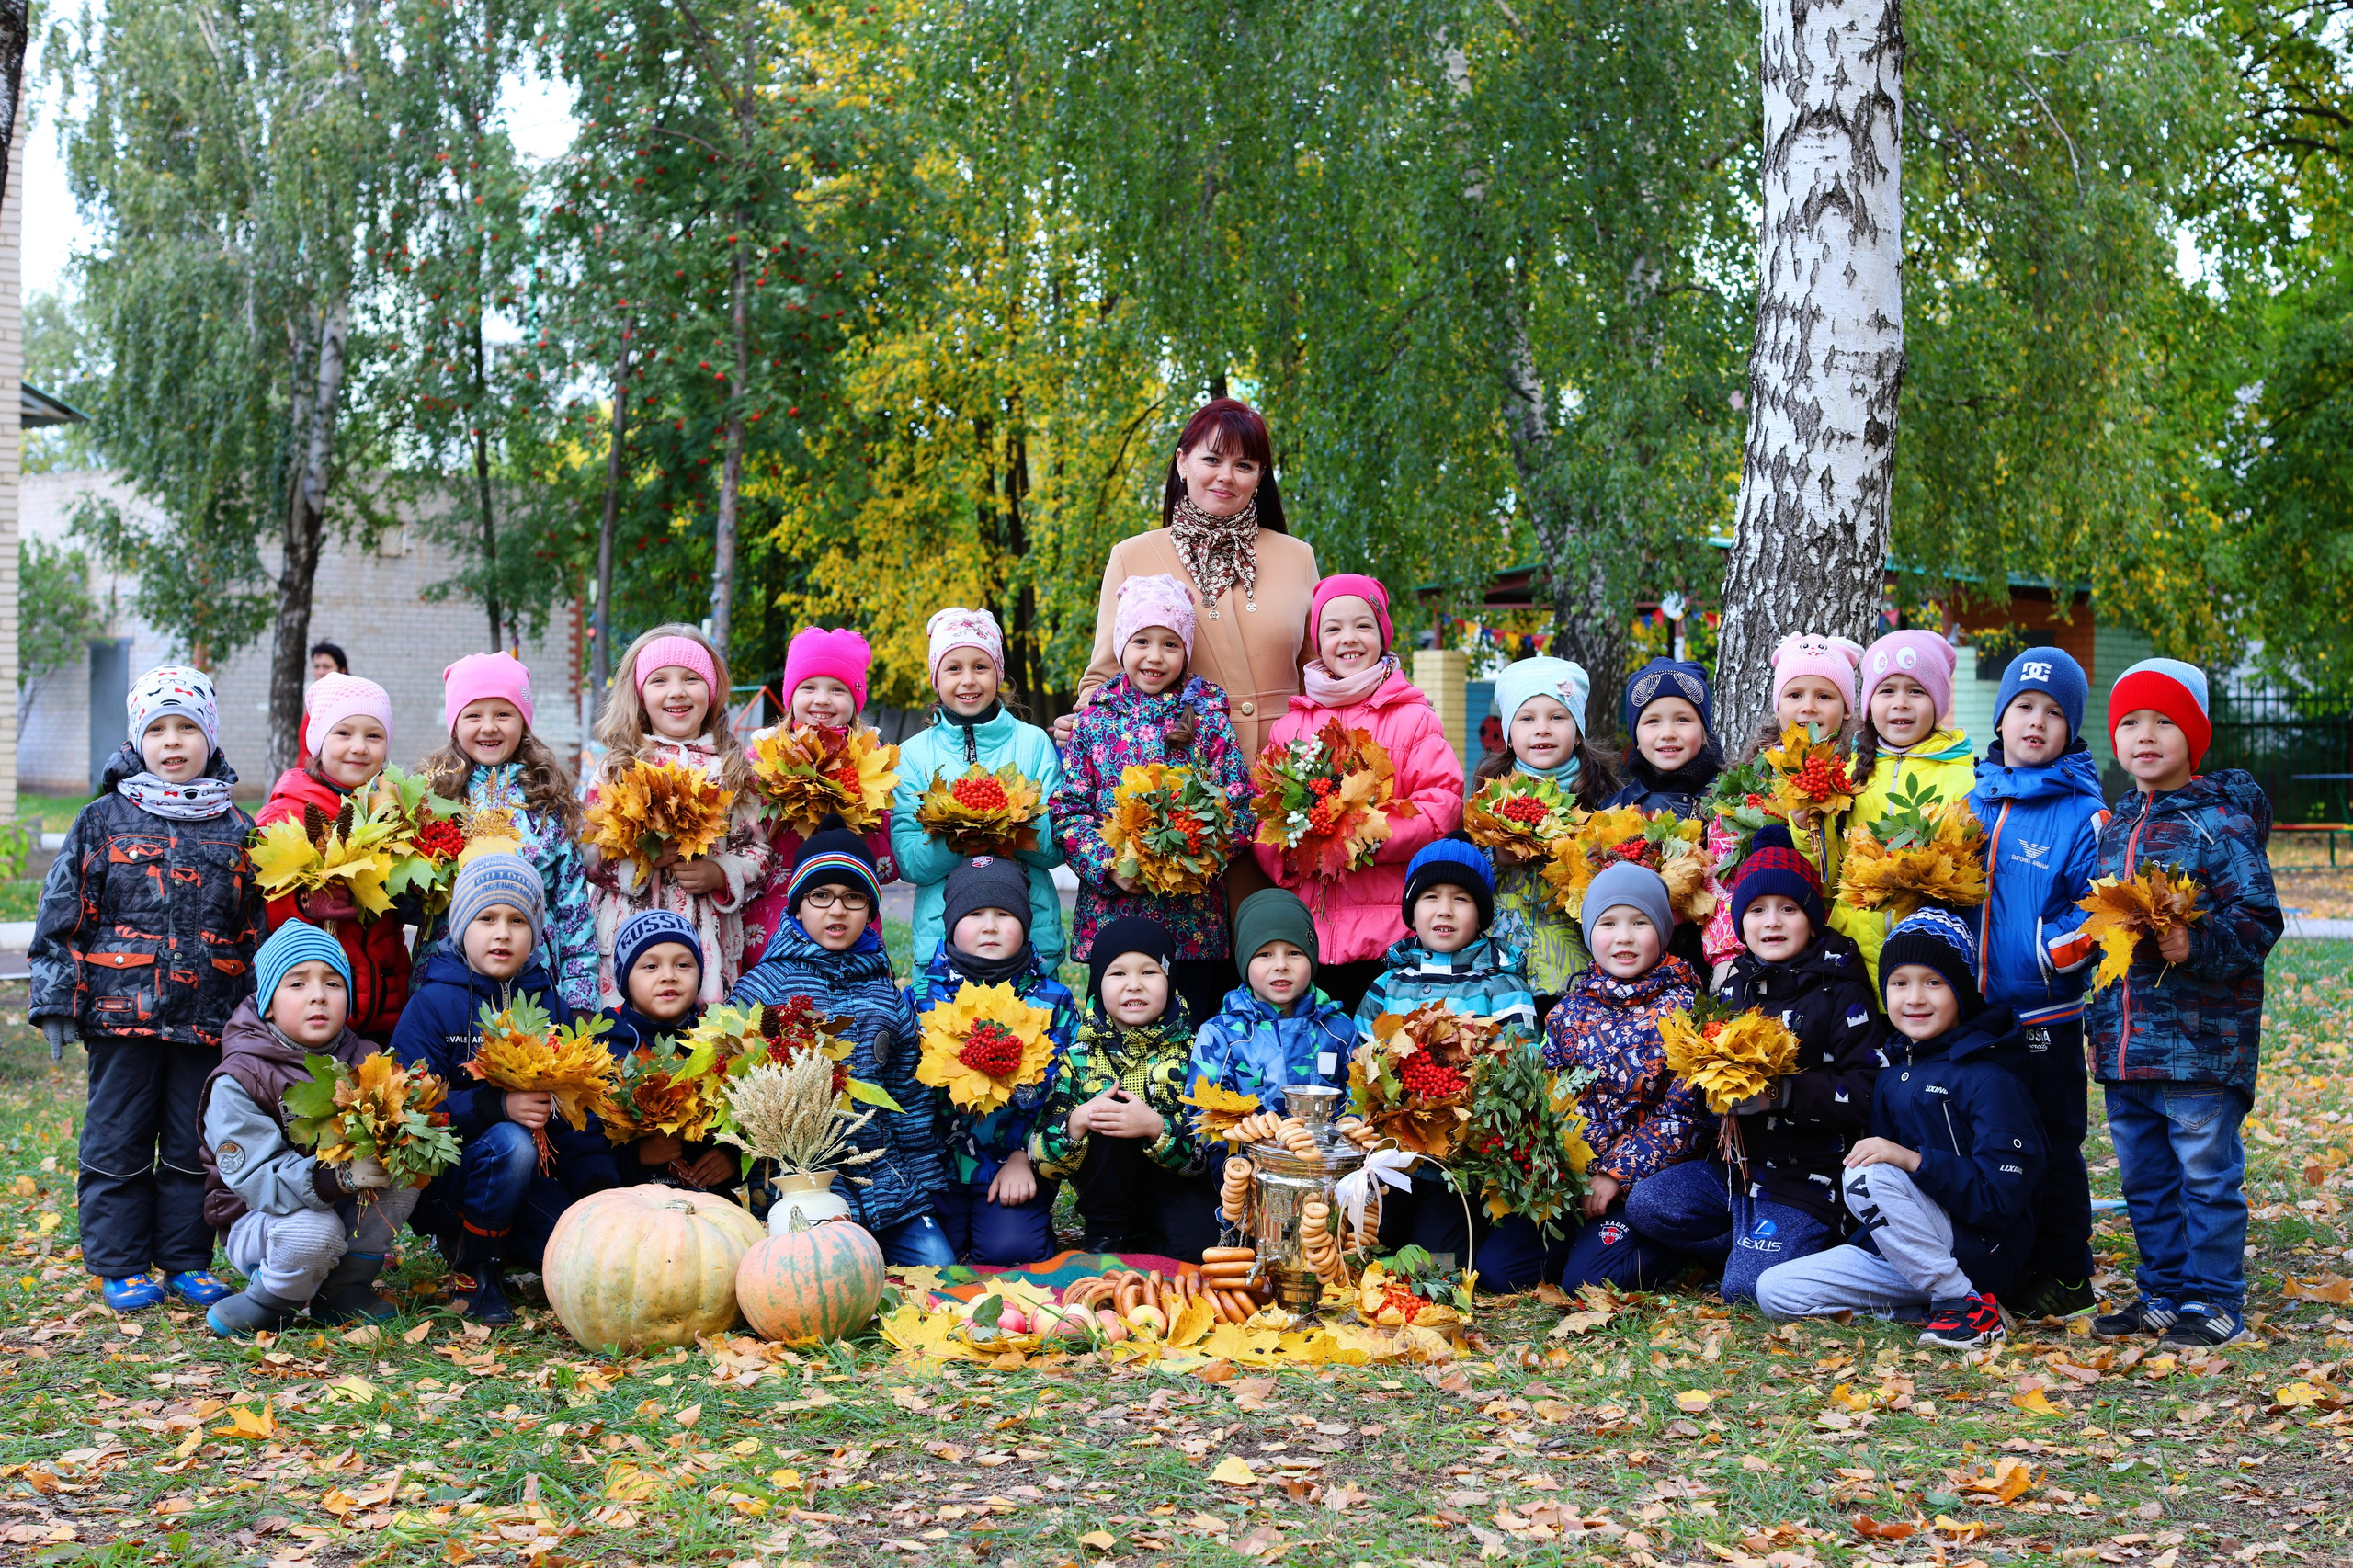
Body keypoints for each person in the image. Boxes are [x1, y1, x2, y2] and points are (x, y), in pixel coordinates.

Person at [30, 666, 265, 1312]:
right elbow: (62, 917)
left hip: (206, 1019)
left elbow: (254, 930)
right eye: (157, 729)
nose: (172, 742)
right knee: (118, 1139)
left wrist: (257, 1015)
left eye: (186, 727)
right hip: (118, 1015)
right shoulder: (101, 821)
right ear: (137, 740)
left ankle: (187, 1260)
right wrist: (56, 1001)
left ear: (209, 738)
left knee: (196, 1146)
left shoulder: (239, 830)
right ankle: (121, 1262)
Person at [2089, 660, 2282, 1349]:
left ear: (2194, 736)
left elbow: (2259, 920)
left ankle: (2215, 1298)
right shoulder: (2114, 828)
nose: (2146, 735)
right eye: (2131, 722)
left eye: (2164, 721)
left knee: (2205, 1177)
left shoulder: (2218, 825)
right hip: (2125, 1044)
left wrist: (2193, 943)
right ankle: (2164, 1292)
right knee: (2147, 1181)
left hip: (2201, 1045)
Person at [1756, 909, 2047, 1351]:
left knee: (1868, 1172)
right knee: (1774, 1290)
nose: (1914, 998)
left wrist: (1914, 1161)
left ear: (1961, 991)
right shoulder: (1893, 1073)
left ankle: (1966, 1305)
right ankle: (1931, 1308)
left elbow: (2001, 1200)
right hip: (1908, 1252)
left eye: (1933, 982)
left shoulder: (1991, 1078)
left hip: (1978, 1247)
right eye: (1899, 983)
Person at [1624, 824, 1885, 1303]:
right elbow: (1703, 1076)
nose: (1772, 922)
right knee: (1648, 1203)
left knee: (1745, 1291)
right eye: (1758, 910)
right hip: (1736, 1169)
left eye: (1789, 909)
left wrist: (1781, 1096)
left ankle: (1801, 1246)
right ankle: (1750, 1247)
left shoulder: (1840, 990)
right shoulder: (1731, 986)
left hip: (1804, 1177)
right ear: (1740, 921)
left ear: (1811, 917)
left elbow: (1870, 1091)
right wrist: (1712, 1089)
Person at [395, 855, 615, 1324]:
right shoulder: (432, 1005)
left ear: (535, 933)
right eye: (486, 918)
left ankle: (510, 1241)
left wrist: (597, 1193)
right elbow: (407, 1106)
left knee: (585, 1253)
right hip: (453, 1178)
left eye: (518, 920)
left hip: (536, 1176)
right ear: (460, 928)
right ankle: (475, 1267)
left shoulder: (550, 1004)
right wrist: (495, 1106)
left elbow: (581, 1107)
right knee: (511, 1143)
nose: (502, 933)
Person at [732, 829, 955, 1266]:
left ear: (870, 909)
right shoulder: (762, 989)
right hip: (803, 1183)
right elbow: (737, 1091)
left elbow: (909, 1094)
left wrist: (924, 1185)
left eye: (854, 897)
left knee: (938, 1266)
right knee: (823, 1277)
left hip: (885, 1183)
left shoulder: (886, 994)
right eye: (821, 895)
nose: (837, 909)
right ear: (797, 904)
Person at [1963, 647, 2107, 1321]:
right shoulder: (1973, 801)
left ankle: (2069, 1271)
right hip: (1975, 1013)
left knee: (2051, 1142)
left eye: (2053, 713)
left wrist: (2050, 954)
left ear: (2070, 730)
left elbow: (2098, 909)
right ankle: (2006, 1264)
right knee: (1989, 1141)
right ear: (2001, 717)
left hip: (2045, 1014)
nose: (2035, 722)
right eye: (2023, 706)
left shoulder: (2083, 814)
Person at [1251, 574, 1463, 1011]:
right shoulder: (1291, 727)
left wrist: (1359, 833)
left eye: (1363, 625)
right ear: (1318, 641)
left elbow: (1440, 806)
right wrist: (1301, 841)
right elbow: (1262, 823)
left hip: (1388, 934)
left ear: (1383, 633)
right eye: (1333, 628)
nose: (1349, 638)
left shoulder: (1413, 718)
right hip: (1308, 936)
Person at [1052, 574, 1255, 1028]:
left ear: (1185, 650)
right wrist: (1110, 866)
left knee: (1190, 1031)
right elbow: (1068, 811)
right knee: (1111, 1035)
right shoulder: (1095, 722)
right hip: (1114, 917)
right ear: (1122, 644)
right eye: (1142, 640)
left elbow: (1240, 807)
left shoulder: (1207, 719)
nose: (1155, 657)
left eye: (1170, 644)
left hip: (1191, 922)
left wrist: (1191, 858)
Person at [199, 922, 418, 1336]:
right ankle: (272, 1298)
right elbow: (255, 1178)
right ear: (267, 1003)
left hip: (339, 1197)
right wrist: (334, 1177)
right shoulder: (240, 1077)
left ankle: (344, 1287)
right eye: (297, 984)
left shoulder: (367, 1059)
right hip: (260, 1217)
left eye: (333, 983)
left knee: (405, 1175)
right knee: (314, 1231)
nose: (318, 994)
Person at [1072, 397, 1320, 758]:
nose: (1226, 476)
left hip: (1289, 774)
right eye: (1212, 459)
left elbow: (1319, 675)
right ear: (1182, 462)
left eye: (1244, 465)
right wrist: (1082, 725)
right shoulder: (1132, 556)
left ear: (1260, 477)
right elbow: (1105, 680)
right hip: (1182, 778)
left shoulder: (1297, 556)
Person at [1354, 838, 1538, 1262]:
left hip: (1459, 1159)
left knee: (1435, 1263)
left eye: (1461, 899)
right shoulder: (1388, 985)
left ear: (1481, 915)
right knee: (1372, 1249)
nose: (1444, 910)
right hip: (1391, 1154)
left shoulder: (1503, 987)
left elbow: (1521, 1067)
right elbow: (1361, 1064)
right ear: (1411, 910)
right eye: (1430, 897)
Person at [1540, 864, 1704, 1292]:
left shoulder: (1685, 1008)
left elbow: (1684, 1116)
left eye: (1640, 922)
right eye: (1609, 923)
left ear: (1663, 931)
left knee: (1586, 1283)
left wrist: (1615, 1174)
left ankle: (1687, 1247)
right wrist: (1564, 1172)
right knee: (1505, 1271)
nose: (1624, 937)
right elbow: (1550, 1100)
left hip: (1640, 1184)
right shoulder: (1569, 1012)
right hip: (1574, 1181)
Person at [586, 625, 769, 1006]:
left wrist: (721, 874)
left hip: (706, 936)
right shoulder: (617, 768)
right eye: (659, 680)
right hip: (629, 933)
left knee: (703, 1049)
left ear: (712, 691)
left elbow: (757, 852)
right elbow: (587, 854)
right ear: (640, 694)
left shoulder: (731, 769)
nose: (677, 691)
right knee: (627, 1047)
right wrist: (638, 860)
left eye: (691, 678)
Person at [917, 855, 1083, 1266]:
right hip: (938, 1166)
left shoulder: (1051, 1001)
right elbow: (907, 1093)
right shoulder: (923, 1000)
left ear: (1026, 924)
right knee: (936, 1257)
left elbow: (1066, 1090)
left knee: (1010, 1251)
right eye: (974, 913)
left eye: (1004, 913)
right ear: (952, 922)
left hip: (1012, 1165)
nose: (989, 925)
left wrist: (1024, 1156)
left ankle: (1018, 1218)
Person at [1032, 917, 1218, 1261]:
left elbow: (1204, 1157)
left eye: (1149, 972)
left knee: (1199, 1247)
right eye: (1118, 974)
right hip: (1106, 1194)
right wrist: (1075, 1122)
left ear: (1170, 980)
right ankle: (1108, 1234)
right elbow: (1042, 1160)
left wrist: (1155, 1128)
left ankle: (1152, 1238)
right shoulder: (1078, 1056)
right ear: (1098, 984)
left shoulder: (1195, 1052)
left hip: (1172, 1183)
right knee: (1104, 1114)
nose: (1134, 985)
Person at [893, 608, 1067, 973]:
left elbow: (1056, 848)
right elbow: (908, 859)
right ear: (935, 677)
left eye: (981, 667)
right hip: (942, 941)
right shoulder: (913, 754)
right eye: (954, 668)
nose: (968, 680)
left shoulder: (1033, 744)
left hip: (1030, 934)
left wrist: (1007, 826)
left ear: (999, 674)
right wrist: (963, 834)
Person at [421, 652, 597, 1012]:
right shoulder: (434, 799)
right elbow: (419, 902)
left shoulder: (545, 802)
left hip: (534, 983)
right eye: (473, 715)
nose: (488, 727)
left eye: (503, 713)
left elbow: (572, 906)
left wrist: (580, 998)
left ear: (523, 721)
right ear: (455, 724)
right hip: (452, 984)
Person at [256, 675, 415, 1041]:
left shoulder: (392, 809)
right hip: (312, 1012)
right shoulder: (288, 813)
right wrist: (306, 902)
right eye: (343, 733)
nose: (359, 747)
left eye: (373, 736)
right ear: (318, 741)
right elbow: (263, 896)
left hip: (384, 1003)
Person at [1700, 633, 1864, 974]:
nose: (1808, 707)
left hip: (1828, 940)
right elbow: (1722, 872)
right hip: (1747, 948)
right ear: (1778, 706)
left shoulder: (1854, 776)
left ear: (1847, 708)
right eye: (1795, 695)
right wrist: (1726, 955)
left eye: (1824, 696)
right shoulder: (1749, 779)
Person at [739, 627, 902, 964]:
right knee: (772, 1005)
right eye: (809, 687)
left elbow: (887, 860)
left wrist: (852, 819)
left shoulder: (871, 761)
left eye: (838, 689)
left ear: (855, 698)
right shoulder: (763, 758)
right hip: (772, 914)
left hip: (849, 914)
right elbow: (742, 837)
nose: (822, 699)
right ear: (791, 694)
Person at [1830, 631, 1975, 988]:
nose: (1901, 703)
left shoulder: (1965, 775)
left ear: (1938, 701)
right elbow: (1830, 862)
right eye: (1887, 690)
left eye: (1916, 690)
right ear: (1869, 702)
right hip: (1854, 952)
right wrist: (1804, 827)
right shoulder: (1848, 773)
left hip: (1928, 960)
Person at [1478, 656, 1620, 1011]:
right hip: (1502, 963)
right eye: (1527, 718)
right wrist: (1494, 857)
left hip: (1578, 965)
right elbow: (1464, 868)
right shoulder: (1489, 795)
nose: (1542, 729)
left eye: (1557, 717)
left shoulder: (1604, 797)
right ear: (1509, 731)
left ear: (1578, 729)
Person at [601, 911, 736, 1194]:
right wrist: (635, 1157)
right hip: (628, 1206)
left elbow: (749, 1119)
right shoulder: (606, 1045)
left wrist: (732, 1157)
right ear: (625, 979)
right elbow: (583, 1143)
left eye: (683, 965)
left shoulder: (718, 1041)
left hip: (708, 1206)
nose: (669, 976)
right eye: (651, 966)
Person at [1187, 888, 1358, 1111]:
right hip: (1249, 1146)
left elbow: (1361, 1101)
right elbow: (1204, 1114)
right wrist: (1254, 1140)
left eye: (1294, 953)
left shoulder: (1339, 1029)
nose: (1281, 965)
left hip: (1327, 1146)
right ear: (1245, 963)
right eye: (1264, 955)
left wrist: (1342, 1133)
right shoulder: (1220, 1034)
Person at [1602, 657, 1722, 818]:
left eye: (1682, 720)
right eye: (1653, 721)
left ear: (1703, 733)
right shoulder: (1613, 811)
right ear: (1636, 737)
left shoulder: (1728, 804)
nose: (1668, 734)